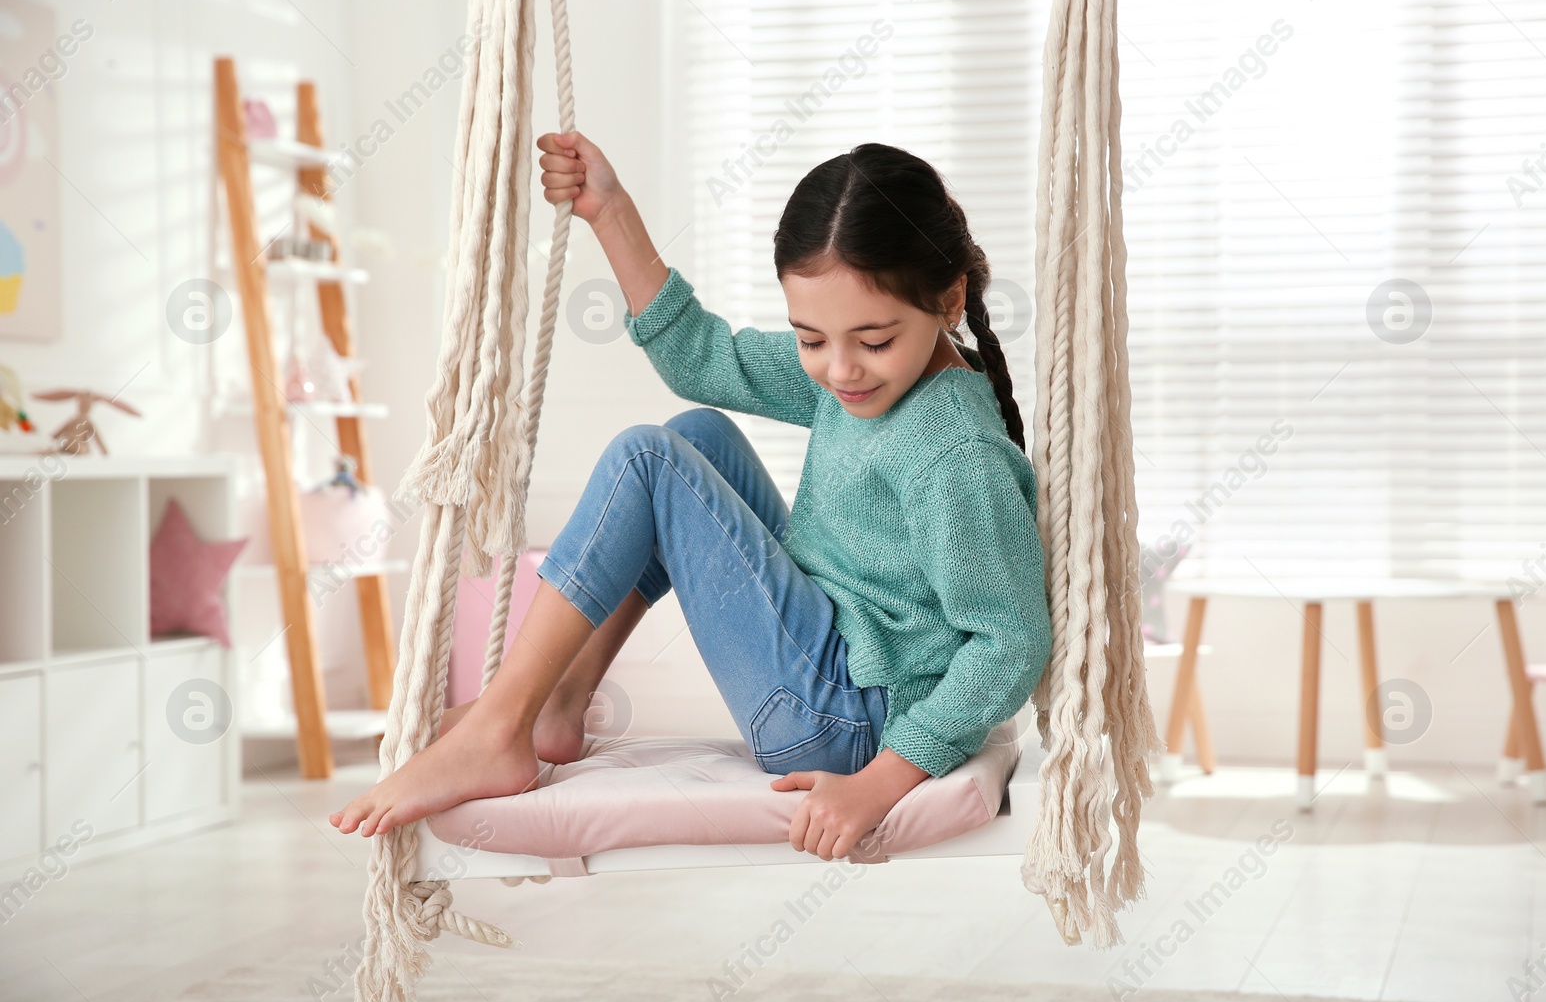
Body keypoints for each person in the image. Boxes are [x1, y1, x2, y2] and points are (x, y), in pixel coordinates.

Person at [330, 132, 1052, 862]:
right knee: (698, 434)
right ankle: (561, 700)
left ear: (949, 297)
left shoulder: (954, 453)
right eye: (810, 339)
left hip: (847, 719)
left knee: (650, 461)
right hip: (836, 653)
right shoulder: (874, 372)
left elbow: (1010, 642)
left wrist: (881, 779)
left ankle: (501, 726)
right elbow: (704, 360)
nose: (840, 370)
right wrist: (610, 212)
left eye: (872, 340)